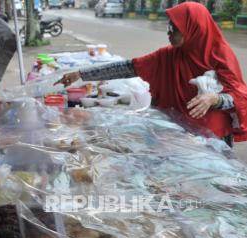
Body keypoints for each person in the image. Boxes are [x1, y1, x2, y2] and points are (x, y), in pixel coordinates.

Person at [56, 2, 247, 147]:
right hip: (177, 133)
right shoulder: (169, 56)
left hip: (212, 137)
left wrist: (213, 99)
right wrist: (81, 74)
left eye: (174, 28)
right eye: (168, 27)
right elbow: (129, 67)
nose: (168, 33)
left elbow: (239, 96)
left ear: (193, 27)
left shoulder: (219, 54)